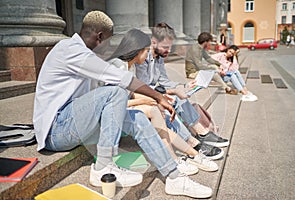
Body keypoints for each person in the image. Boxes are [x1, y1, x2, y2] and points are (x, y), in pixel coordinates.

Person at [33, 11, 212, 198]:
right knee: (116, 91)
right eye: (108, 40)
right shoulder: (69, 50)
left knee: (138, 118)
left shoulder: (85, 54)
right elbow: (119, 78)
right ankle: (103, 166)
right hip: (57, 131)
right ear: (100, 36)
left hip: (76, 122)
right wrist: (158, 97)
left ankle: (174, 177)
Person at [99, 28, 218, 173]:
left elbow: (131, 95)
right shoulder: (117, 66)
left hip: (126, 106)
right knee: (155, 110)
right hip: (111, 114)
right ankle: (177, 159)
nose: (148, 54)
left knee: (160, 108)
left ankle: (193, 154)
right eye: (146, 51)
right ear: (137, 50)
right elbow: (112, 103)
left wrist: (157, 99)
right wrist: (149, 101)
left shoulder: (130, 67)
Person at [135, 23, 229, 152]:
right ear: (154, 42)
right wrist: (170, 92)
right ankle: (190, 142)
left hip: (154, 92)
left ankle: (201, 133)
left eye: (169, 47)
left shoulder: (160, 57)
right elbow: (143, 87)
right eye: (165, 47)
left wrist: (185, 86)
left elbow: (163, 80)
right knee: (172, 100)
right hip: (143, 95)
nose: (168, 51)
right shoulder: (142, 57)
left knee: (180, 97)